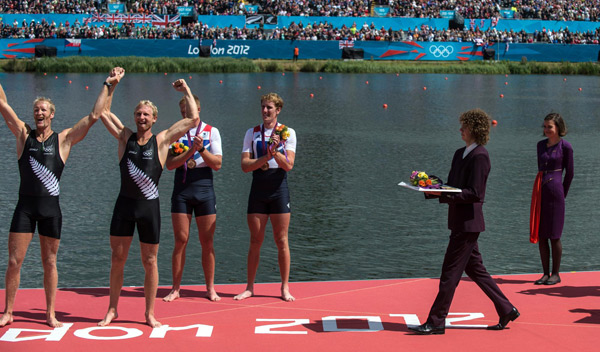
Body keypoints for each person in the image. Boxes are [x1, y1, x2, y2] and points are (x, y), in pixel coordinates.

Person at [0, 72, 110, 327]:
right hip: (24, 209)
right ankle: (8, 311)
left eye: (44, 110)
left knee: (50, 262)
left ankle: (50, 314)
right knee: (14, 261)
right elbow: (3, 106)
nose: (39, 112)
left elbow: (94, 116)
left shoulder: (63, 140)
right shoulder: (22, 136)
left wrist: (107, 85)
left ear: (52, 115)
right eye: (36, 109)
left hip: (51, 210)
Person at [97, 70, 199, 328]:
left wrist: (185, 89)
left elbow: (193, 118)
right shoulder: (125, 137)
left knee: (150, 261)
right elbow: (101, 112)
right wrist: (111, 85)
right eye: (138, 114)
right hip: (124, 206)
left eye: (146, 114)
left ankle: (149, 313)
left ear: (154, 119)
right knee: (117, 259)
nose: (141, 117)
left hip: (148, 209)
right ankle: (112, 309)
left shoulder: (162, 140)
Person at [409, 109, 519, 335]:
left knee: (449, 274)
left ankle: (436, 321)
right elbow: (453, 185)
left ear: (474, 129)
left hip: (468, 225)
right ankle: (506, 309)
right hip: (459, 222)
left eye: (465, 126)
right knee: (477, 271)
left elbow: (475, 193)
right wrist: (429, 185)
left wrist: (445, 195)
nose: (461, 129)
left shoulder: (480, 156)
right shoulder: (460, 153)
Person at [234, 93, 297, 302]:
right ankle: (250, 287)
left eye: (269, 108)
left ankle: (285, 287)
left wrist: (275, 152)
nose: (265, 111)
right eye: (262, 107)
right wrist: (265, 158)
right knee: (255, 240)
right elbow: (244, 166)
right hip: (258, 188)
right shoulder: (251, 133)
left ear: (278, 110)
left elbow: (288, 166)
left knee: (281, 240)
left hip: (278, 187)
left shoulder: (288, 133)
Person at [163, 94, 223, 302]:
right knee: (181, 240)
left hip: (204, 190)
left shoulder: (211, 131)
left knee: (207, 242)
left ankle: (210, 288)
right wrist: (189, 153)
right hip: (182, 190)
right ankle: (175, 288)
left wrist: (202, 149)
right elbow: (169, 165)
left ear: (198, 110)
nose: (186, 115)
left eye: (189, 111)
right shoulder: (174, 133)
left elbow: (217, 164)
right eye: (182, 112)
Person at [530, 113, 573, 285]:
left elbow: (569, 174)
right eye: (545, 126)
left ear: (558, 128)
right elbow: (540, 168)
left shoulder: (566, 147)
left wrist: (563, 193)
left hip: (556, 193)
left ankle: (556, 273)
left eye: (550, 127)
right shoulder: (540, 145)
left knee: (554, 235)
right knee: (542, 235)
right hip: (541, 190)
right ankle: (545, 273)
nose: (546, 129)